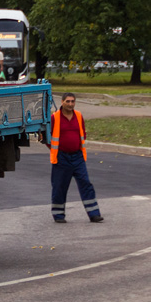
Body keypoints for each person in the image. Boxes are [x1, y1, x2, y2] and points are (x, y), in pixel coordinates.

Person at [44, 93, 103, 223]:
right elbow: (47, 138)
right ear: (62, 102)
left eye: (72, 101)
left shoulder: (78, 116)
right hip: (61, 158)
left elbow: (83, 133)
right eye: (68, 101)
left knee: (86, 184)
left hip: (78, 157)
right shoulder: (55, 118)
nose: (70, 104)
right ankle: (58, 215)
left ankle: (94, 214)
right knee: (60, 186)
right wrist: (57, 151)